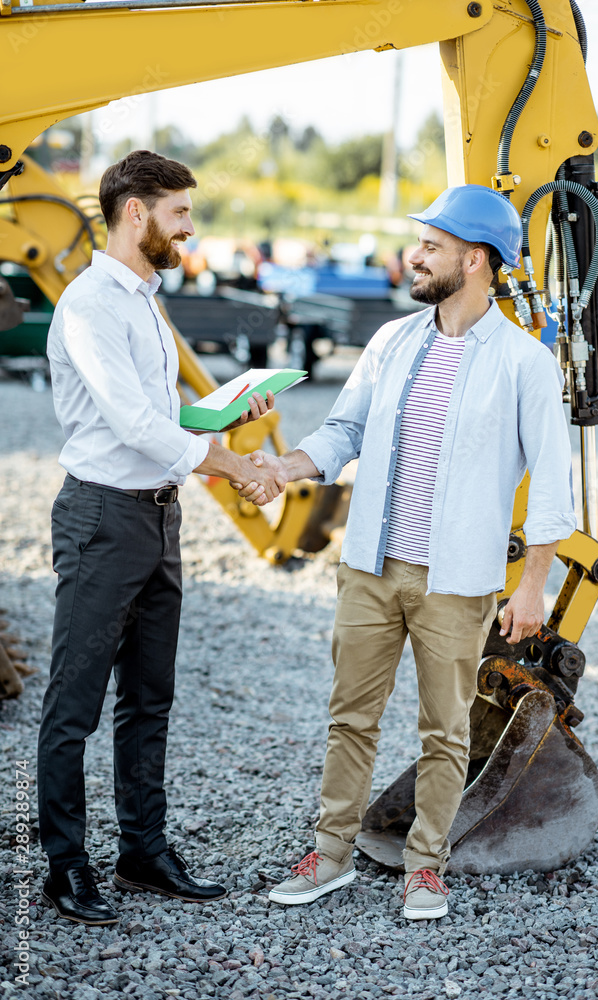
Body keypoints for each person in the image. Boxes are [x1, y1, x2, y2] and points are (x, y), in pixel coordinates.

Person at [243, 185, 576, 921]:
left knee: (444, 728)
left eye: (430, 245)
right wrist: (282, 468)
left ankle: (426, 866)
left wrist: (532, 587)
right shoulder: (391, 342)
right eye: (417, 243)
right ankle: (329, 855)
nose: (414, 256)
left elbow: (554, 483)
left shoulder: (524, 362)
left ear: (476, 259)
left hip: (456, 579)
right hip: (370, 567)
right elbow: (343, 432)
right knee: (349, 718)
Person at [38, 150, 285, 926]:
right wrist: (230, 465)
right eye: (179, 213)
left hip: (154, 513)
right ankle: (64, 864)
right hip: (102, 517)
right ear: (135, 212)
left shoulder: (143, 298)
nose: (188, 227)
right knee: (73, 704)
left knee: (150, 699)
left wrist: (218, 418)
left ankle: (143, 852)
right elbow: (132, 424)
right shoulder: (89, 304)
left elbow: (162, 416)